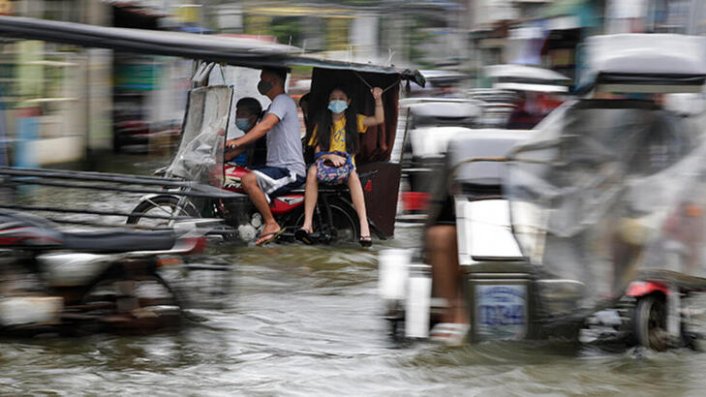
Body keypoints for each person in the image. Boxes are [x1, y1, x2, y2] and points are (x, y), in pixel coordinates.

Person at [295, 86, 384, 247]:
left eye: (341, 98)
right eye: (333, 98)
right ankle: (307, 223)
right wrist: (330, 156)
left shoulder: (355, 120)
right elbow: (317, 153)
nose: (337, 102)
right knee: (312, 172)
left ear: (348, 102)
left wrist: (378, 99)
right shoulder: (320, 123)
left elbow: (378, 120)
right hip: (325, 165)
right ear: (328, 102)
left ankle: (364, 226)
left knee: (353, 176)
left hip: (347, 167)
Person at [226, 68, 306, 246]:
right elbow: (253, 139)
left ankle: (271, 223)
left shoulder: (282, 101)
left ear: (275, 81)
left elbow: (265, 126)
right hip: (275, 168)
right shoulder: (273, 107)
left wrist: (236, 143)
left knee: (248, 180)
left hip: (289, 169)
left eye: (264, 79)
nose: (260, 82)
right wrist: (227, 151)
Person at [224, 97, 262, 164]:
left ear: (253, 118)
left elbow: (228, 156)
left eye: (242, 114)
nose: (238, 117)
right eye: (237, 113)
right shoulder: (242, 139)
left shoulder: (255, 140)